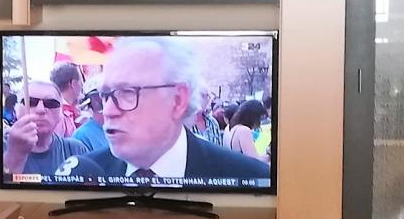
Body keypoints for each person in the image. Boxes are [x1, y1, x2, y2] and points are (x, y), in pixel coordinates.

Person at [55, 36, 271, 182]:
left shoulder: (248, 177)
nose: (109, 111)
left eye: (127, 92)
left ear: (177, 100)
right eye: (105, 95)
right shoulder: (83, 175)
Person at [1, 78, 87, 177]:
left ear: (61, 112)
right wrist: (15, 154)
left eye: (50, 104)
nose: (40, 110)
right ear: (16, 109)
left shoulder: (75, 150)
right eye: (31, 102)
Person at [50, 62, 85, 137]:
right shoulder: (58, 115)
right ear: (73, 84)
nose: (82, 86)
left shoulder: (73, 111)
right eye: (81, 82)